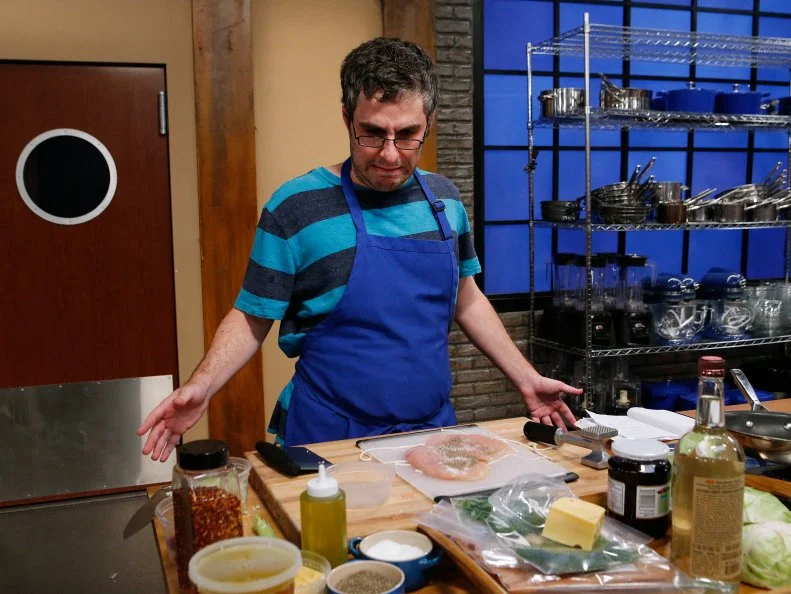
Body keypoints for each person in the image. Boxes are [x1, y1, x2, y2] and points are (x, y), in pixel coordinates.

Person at [138, 37, 581, 461]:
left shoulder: (444, 200)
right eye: (372, 133)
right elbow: (253, 316)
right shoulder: (295, 207)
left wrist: (526, 379)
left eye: (408, 135)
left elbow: (467, 298)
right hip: (329, 436)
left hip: (430, 433)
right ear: (347, 117)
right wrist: (203, 386)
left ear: (428, 121)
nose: (390, 155)